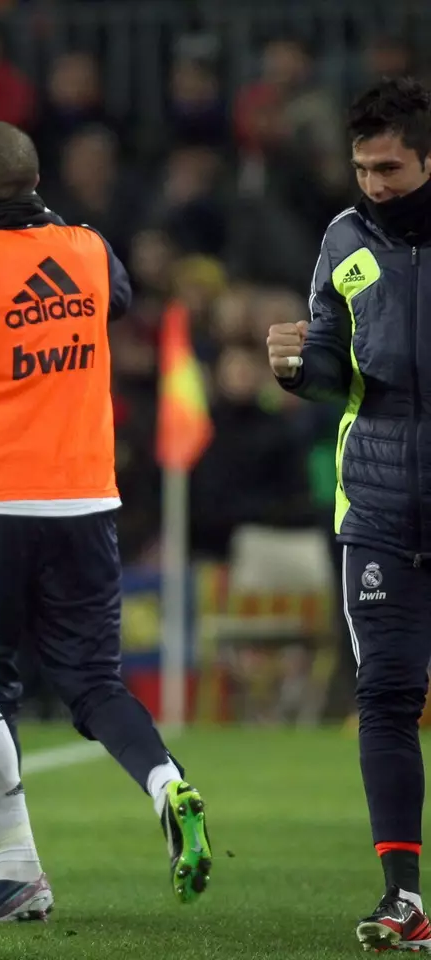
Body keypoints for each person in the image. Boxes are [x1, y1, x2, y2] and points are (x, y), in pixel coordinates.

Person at [0, 121, 212, 903]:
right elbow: (114, 300)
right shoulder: (88, 248)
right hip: (86, 499)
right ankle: (164, 782)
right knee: (95, 682)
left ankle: (14, 872)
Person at [267, 77, 431, 953]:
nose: (375, 185)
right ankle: (403, 895)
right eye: (364, 169)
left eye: (392, 168)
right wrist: (298, 369)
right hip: (376, 502)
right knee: (386, 697)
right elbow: (332, 365)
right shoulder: (344, 241)